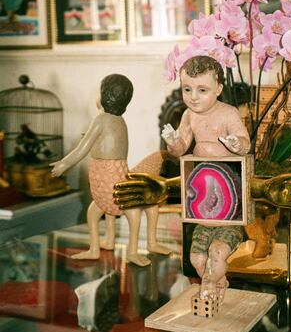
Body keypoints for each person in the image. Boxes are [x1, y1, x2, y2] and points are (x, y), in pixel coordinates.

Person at [51, 74, 169, 266]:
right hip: (112, 176)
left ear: (104, 95)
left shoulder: (101, 120)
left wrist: (64, 164)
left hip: (106, 181)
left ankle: (106, 247)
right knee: (127, 208)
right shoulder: (118, 120)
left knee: (100, 210)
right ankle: (140, 243)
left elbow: (83, 148)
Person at [161, 55, 251, 303]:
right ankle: (217, 283)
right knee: (197, 259)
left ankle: (211, 286)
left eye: (202, 90)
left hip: (229, 197)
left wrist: (237, 144)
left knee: (215, 254)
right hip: (201, 197)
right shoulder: (189, 115)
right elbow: (180, 149)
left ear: (219, 89)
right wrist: (172, 143)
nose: (193, 96)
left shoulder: (228, 113)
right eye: (187, 89)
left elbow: (245, 144)